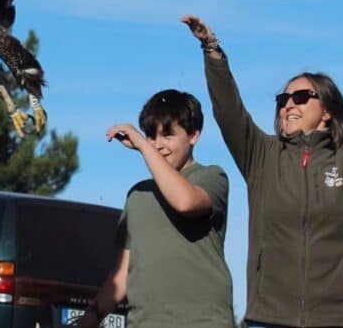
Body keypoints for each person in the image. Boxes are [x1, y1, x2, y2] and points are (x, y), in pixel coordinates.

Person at [181, 14, 343, 328]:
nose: (289, 104)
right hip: (268, 319)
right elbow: (229, 110)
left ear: (327, 111)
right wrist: (212, 51)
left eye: (301, 97)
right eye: (283, 99)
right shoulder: (260, 156)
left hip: (338, 319)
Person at [77, 89, 236, 328]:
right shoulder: (138, 195)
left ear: (193, 135)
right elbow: (122, 276)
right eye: (151, 135)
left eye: (168, 135)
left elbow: (185, 202)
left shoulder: (211, 177)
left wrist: (143, 145)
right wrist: (91, 318)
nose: (158, 145)